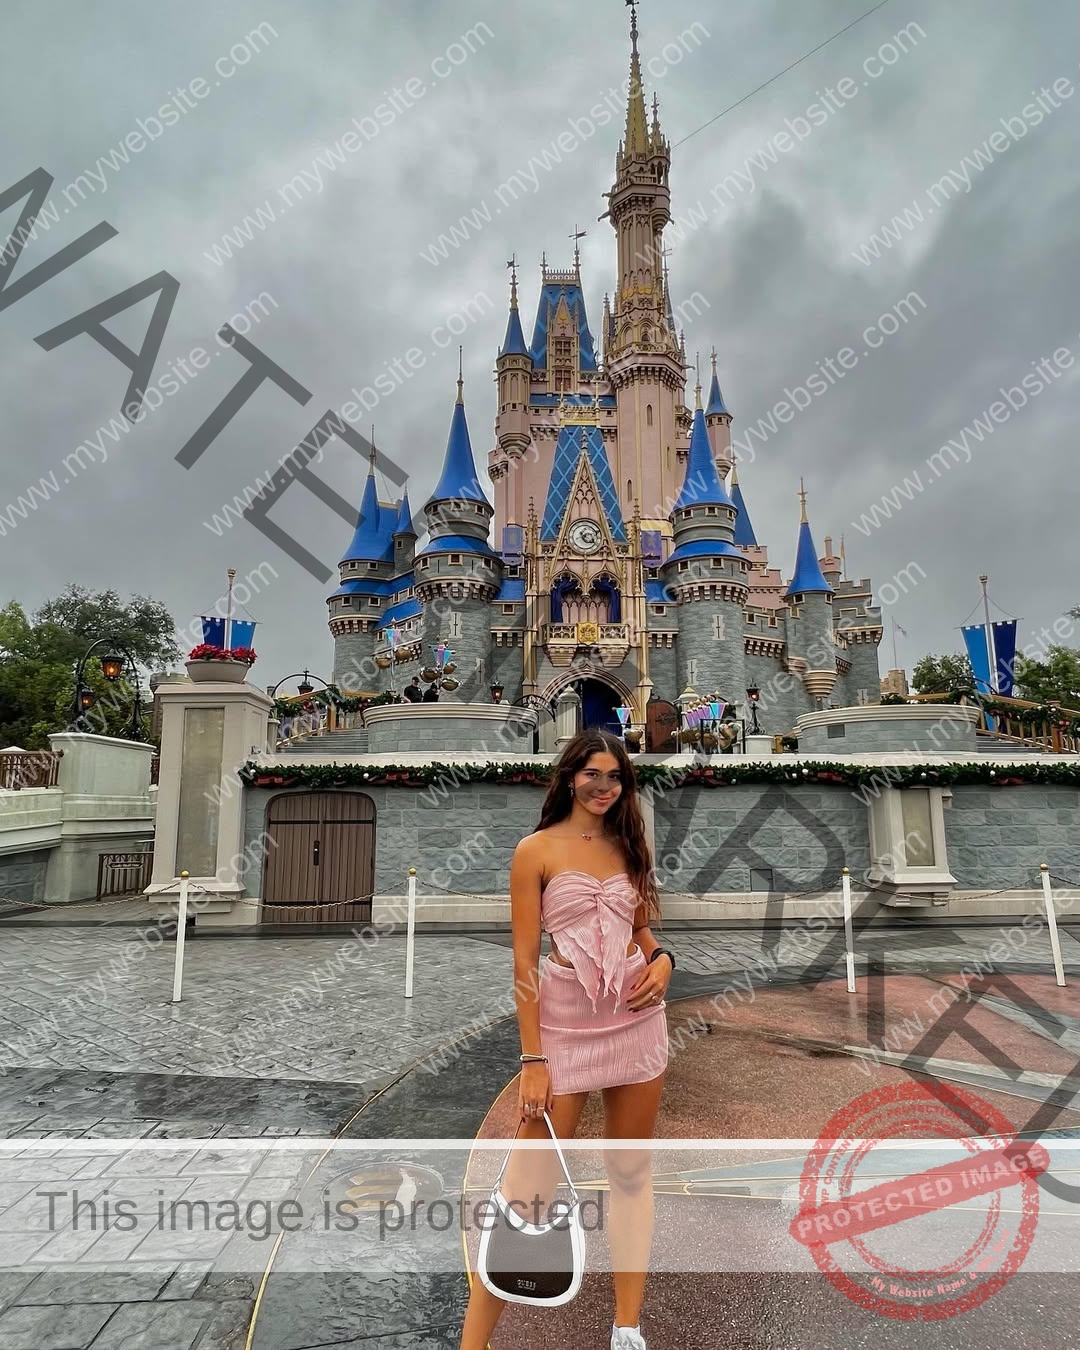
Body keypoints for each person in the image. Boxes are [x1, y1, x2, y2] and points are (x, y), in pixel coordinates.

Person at [459, 729, 673, 1350]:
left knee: (632, 1173)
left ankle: (627, 1329)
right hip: (563, 1028)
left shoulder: (629, 844)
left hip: (636, 1021)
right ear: (569, 777)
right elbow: (525, 962)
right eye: (593, 775)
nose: (605, 788)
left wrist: (663, 961)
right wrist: (532, 1058)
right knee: (525, 1194)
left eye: (616, 777)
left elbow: (642, 931)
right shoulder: (535, 851)